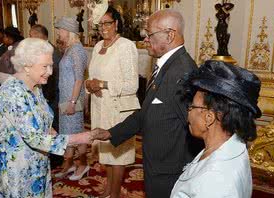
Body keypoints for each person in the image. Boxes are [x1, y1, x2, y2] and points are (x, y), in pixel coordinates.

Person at [90, 9, 203, 198]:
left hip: (169, 169)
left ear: (169, 35)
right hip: (157, 164)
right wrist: (111, 133)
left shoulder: (182, 71)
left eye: (149, 34)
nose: (145, 40)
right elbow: (147, 112)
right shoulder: (166, 65)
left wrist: (189, 171)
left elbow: (197, 129)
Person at [0, 38, 93, 197]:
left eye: (51, 65)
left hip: (37, 161)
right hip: (18, 167)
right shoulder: (12, 92)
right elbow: (34, 138)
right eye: (45, 66)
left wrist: (53, 132)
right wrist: (78, 138)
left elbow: (43, 121)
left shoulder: (35, 87)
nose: (51, 71)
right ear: (26, 65)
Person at [170, 60, 261, 198]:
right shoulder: (230, 144)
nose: (188, 113)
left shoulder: (214, 182)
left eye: (192, 107)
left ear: (209, 117)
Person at [85, 6, 140, 198]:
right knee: (106, 153)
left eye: (107, 23)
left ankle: (114, 194)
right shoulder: (99, 46)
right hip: (100, 107)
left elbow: (132, 85)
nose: (103, 28)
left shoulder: (126, 46)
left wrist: (103, 84)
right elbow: (91, 77)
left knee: (117, 155)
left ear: (116, 23)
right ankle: (109, 189)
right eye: (100, 24)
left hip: (118, 109)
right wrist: (90, 85)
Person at [53, 17, 89, 181]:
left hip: (72, 100)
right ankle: (69, 164)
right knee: (67, 133)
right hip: (65, 99)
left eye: (60, 29)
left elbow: (79, 79)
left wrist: (73, 102)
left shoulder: (77, 50)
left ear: (68, 31)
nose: (58, 33)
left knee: (77, 134)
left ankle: (83, 164)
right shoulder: (69, 49)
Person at [29, 24, 62, 132]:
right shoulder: (44, 49)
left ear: (39, 36)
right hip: (45, 94)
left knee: (53, 124)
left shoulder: (52, 51)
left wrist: (47, 96)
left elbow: (54, 77)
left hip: (51, 96)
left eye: (31, 36)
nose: (30, 39)